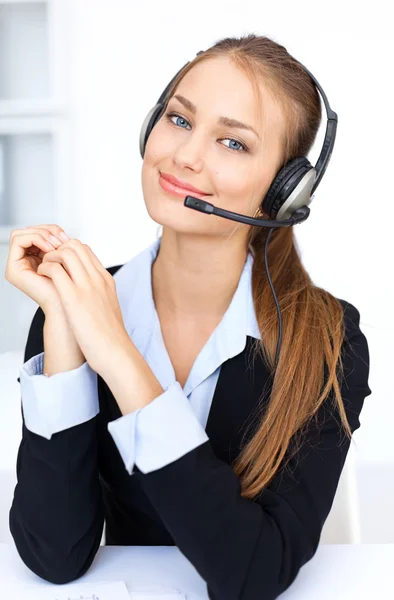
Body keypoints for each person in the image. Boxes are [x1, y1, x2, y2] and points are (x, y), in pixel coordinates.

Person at [5, 34, 372, 599]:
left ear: (284, 193)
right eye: (179, 120)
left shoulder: (328, 342)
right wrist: (65, 334)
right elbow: (54, 558)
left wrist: (122, 360)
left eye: (232, 142)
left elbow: (253, 575)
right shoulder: (79, 306)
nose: (185, 155)